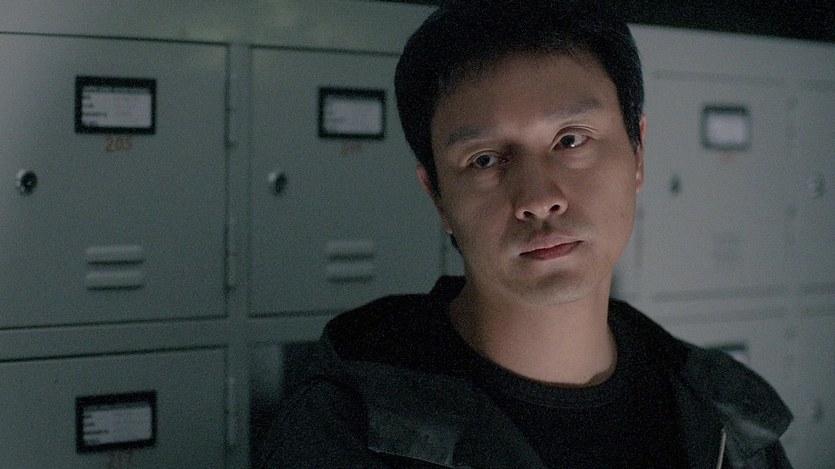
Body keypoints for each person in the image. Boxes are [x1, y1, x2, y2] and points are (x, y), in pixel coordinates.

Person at [257, 1, 793, 467]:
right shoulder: (345, 424)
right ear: (438, 196)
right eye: (484, 159)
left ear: (638, 154)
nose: (538, 197)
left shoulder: (727, 419)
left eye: (571, 140)